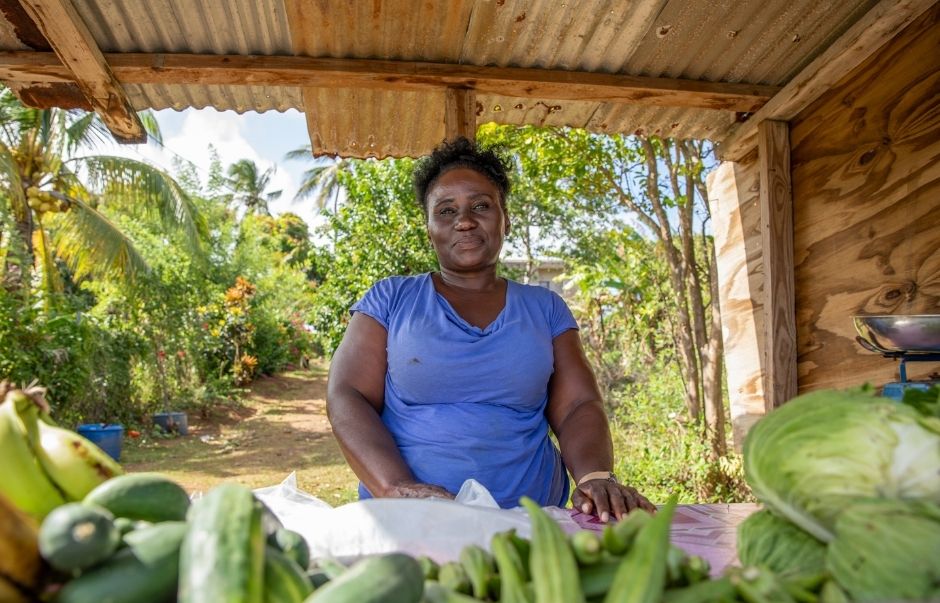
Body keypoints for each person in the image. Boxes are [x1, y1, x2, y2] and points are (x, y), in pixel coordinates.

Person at [326, 137, 655, 522]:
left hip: (532, 522)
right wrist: (394, 487)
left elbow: (578, 406)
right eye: (446, 210)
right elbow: (346, 395)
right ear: (429, 228)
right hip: (410, 520)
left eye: (480, 205)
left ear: (505, 219)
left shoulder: (545, 308)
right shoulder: (391, 300)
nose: (464, 220)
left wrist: (596, 476)